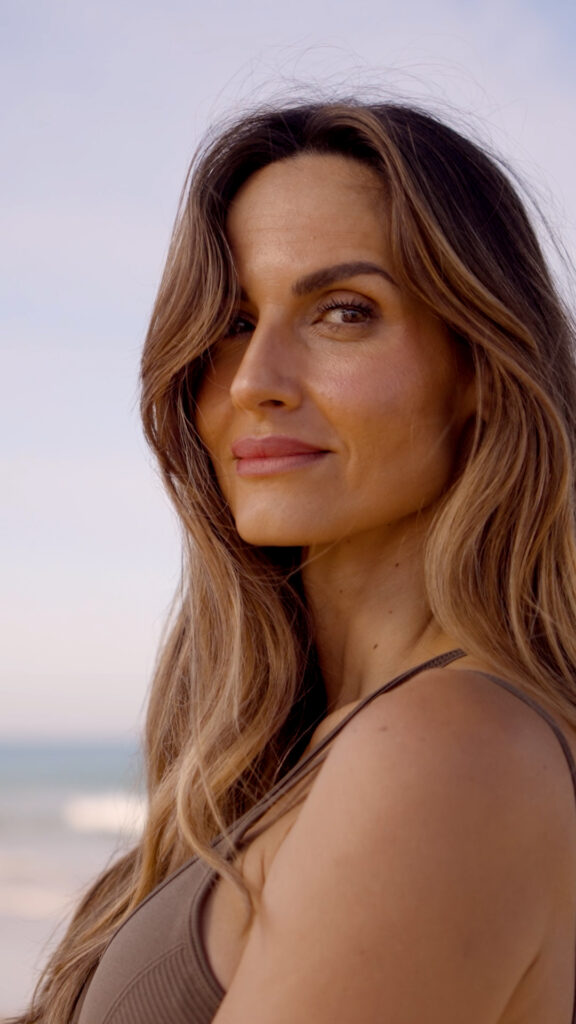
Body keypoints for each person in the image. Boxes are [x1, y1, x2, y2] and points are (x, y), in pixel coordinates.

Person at [15, 99, 576, 1024]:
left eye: (343, 312)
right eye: (232, 320)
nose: (253, 380)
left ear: (478, 366)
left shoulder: (448, 752)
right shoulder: (328, 740)